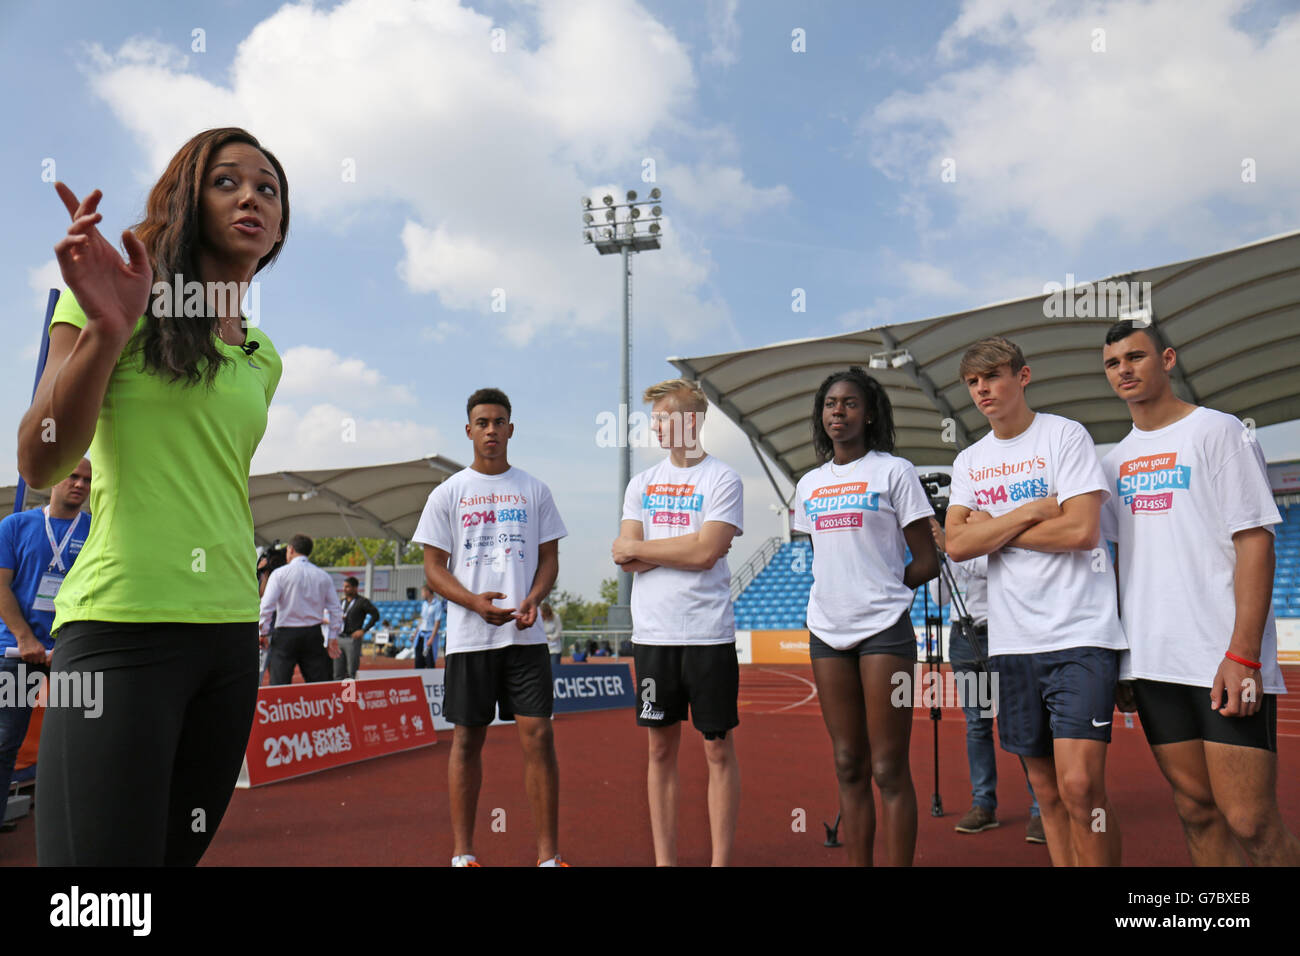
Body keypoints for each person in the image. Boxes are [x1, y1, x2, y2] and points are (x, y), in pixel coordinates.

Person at [18, 127, 287, 866]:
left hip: (230, 635)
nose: (251, 198)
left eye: (267, 189)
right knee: (98, 899)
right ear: (184, 199)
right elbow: (41, 459)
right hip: (122, 625)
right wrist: (108, 328)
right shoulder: (108, 301)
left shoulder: (264, 357)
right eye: (227, 181)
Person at [1100, 319, 1300, 865]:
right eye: (1113, 363)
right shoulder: (1113, 463)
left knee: (1252, 821)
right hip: (1152, 662)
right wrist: (1122, 661)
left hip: (1221, 657)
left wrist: (1243, 654)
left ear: (1167, 360)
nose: (1124, 370)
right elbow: (1116, 563)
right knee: (1195, 810)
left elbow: (1255, 540)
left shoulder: (1219, 431)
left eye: (1136, 357)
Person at [945, 336, 1126, 867]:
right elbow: (956, 544)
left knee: (1081, 787)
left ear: (1022, 376)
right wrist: (1031, 511)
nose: (982, 389)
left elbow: (1081, 531)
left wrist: (993, 527)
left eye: (993, 376)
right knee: (1046, 792)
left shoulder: (1064, 436)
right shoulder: (970, 460)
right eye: (973, 382)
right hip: (1010, 642)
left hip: (1079, 634)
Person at [413, 388, 568, 867]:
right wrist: (473, 603)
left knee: (539, 736)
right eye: (482, 423)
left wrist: (534, 598)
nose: (491, 430)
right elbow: (433, 568)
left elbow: (549, 558)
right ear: (469, 430)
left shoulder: (535, 490)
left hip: (525, 635)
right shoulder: (448, 493)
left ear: (511, 429)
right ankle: (463, 854)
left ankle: (548, 857)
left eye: (499, 422)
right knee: (466, 740)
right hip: (470, 638)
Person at [792, 367, 938, 866]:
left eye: (850, 403)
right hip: (826, 633)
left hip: (885, 633)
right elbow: (824, 556)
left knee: (888, 767)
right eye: (830, 404)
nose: (838, 411)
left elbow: (927, 560)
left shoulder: (894, 472)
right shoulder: (809, 485)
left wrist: (884, 589)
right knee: (847, 763)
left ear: (870, 413)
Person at [613, 378, 744, 867]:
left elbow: (707, 552)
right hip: (653, 637)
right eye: (655, 420)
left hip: (708, 634)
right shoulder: (641, 484)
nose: (656, 428)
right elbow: (625, 557)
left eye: (664, 418)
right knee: (659, 751)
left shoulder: (723, 479)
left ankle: (720, 862)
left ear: (692, 421)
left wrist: (652, 548)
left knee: (717, 750)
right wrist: (688, 546)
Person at [927, 517, 1044, 843]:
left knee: (1020, 721)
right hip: (963, 638)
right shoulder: (953, 544)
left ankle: (1042, 806)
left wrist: (953, 545)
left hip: (1002, 633)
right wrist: (941, 554)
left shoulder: (994, 528)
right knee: (977, 725)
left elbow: (991, 570)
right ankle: (983, 804)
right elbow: (939, 597)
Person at [0, 460, 92, 833]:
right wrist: (25, 639)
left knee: (81, 744)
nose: (80, 484)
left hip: (73, 654)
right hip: (16, 652)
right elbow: (1, 586)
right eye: (73, 476)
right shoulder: (15, 526)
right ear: (54, 478)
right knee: (5, 741)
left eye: (87, 480)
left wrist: (71, 643)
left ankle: (78, 833)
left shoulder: (97, 532)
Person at [260, 534, 342, 684]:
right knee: (319, 685)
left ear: (291, 549)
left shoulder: (279, 574)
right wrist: (332, 637)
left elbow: (266, 606)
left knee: (279, 684)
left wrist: (263, 632)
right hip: (313, 634)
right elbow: (336, 609)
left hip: (285, 635)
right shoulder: (323, 576)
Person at [337, 576, 379, 679]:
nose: (344, 589)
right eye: (344, 586)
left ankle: (351, 689)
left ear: (355, 588)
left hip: (352, 639)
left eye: (347, 587)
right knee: (337, 672)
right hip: (339, 637)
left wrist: (363, 630)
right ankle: (337, 689)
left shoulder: (362, 601)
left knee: (351, 671)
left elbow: (376, 615)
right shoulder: (342, 602)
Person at [415, 585, 445, 669]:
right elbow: (421, 619)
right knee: (418, 661)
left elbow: (437, 622)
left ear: (427, 592)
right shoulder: (424, 604)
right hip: (421, 635)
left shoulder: (438, 604)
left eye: (422, 592)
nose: (422, 595)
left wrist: (432, 638)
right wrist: (415, 633)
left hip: (429, 636)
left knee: (429, 661)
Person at [541, 602, 562, 670]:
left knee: (555, 669)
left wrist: (550, 637)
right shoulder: (539, 618)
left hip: (555, 649)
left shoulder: (556, 617)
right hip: (544, 649)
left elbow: (559, 632)